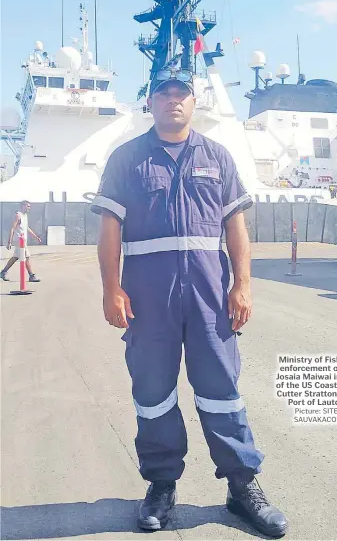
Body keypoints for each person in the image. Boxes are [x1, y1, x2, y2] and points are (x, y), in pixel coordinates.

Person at [92, 69, 288, 538]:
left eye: (182, 95)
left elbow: (235, 227)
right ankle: (161, 485)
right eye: (164, 94)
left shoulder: (217, 156)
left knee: (222, 390)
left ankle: (242, 487)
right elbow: (109, 231)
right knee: (154, 394)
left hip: (209, 297)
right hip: (147, 298)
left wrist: (242, 284)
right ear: (151, 102)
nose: (173, 101)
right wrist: (110, 288)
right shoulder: (126, 159)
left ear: (194, 103)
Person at [1, 200, 41, 282]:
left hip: (23, 240)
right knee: (26, 257)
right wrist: (9, 242)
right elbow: (12, 228)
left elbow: (26, 228)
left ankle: (3, 272)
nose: (29, 208)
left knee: (15, 257)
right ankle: (31, 275)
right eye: (28, 206)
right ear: (23, 206)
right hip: (19, 240)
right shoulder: (18, 215)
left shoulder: (25, 216)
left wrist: (35, 237)